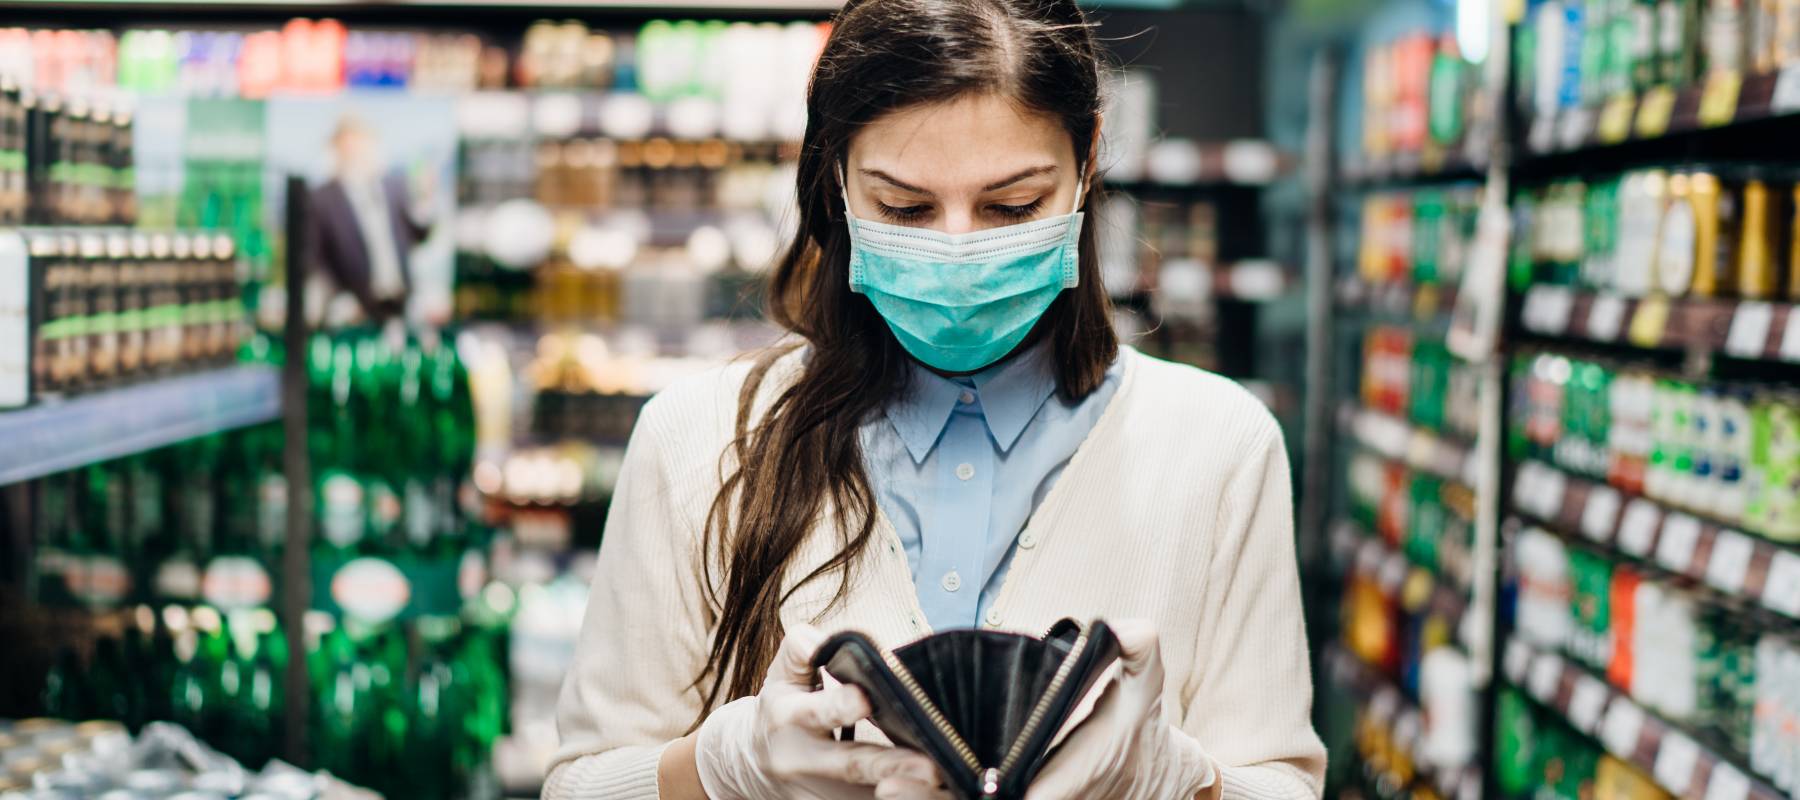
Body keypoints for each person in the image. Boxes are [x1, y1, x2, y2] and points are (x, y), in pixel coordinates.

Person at [546, 1, 1326, 798]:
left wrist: (1182, 782)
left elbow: (1283, 783)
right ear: (837, 176)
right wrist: (718, 767)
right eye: (904, 208)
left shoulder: (1220, 445)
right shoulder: (699, 441)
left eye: (1012, 207)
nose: (957, 251)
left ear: (1088, 157)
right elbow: (580, 785)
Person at [307, 115, 434, 325]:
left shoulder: (395, 187)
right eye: (349, 145)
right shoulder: (323, 198)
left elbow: (419, 235)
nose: (357, 151)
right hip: (354, 308)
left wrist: (425, 201)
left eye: (361, 143)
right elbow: (315, 257)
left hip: (402, 301)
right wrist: (336, 297)